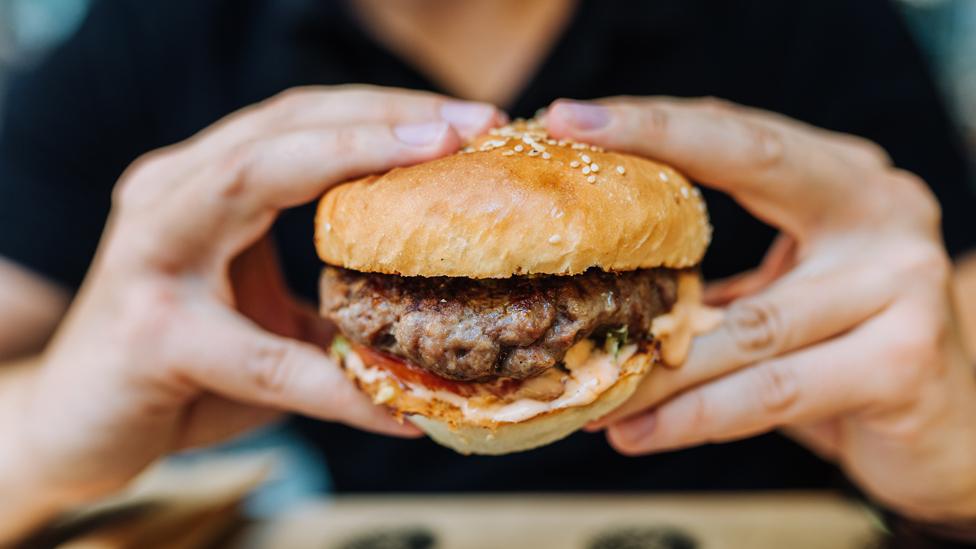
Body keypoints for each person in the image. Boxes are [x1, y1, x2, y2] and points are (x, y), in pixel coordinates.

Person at [1, 0, 976, 544]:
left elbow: (948, 318)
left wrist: (957, 475)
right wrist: (41, 436)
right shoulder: (155, 33)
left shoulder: (814, 24)